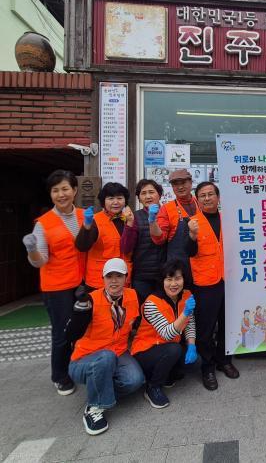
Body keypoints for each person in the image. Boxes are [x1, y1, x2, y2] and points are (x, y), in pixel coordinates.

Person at [22, 169, 85, 396]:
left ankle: (78, 368)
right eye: (55, 190)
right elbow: (39, 261)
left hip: (82, 282)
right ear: (50, 194)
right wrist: (32, 249)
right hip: (57, 287)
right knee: (62, 332)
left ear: (74, 190)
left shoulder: (84, 216)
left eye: (65, 189)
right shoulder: (43, 224)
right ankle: (60, 376)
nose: (61, 194)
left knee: (83, 328)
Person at [66, 258, 144, 435]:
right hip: (85, 359)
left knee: (135, 380)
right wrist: (80, 311)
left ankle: (101, 389)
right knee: (106, 356)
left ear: (126, 278)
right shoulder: (90, 300)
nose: (114, 281)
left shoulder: (133, 295)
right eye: (109, 276)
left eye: (119, 276)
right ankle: (94, 407)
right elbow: (70, 335)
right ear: (103, 278)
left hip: (118, 352)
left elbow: (137, 324)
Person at [184, 181, 239, 390]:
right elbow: (188, 251)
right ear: (197, 199)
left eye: (210, 194)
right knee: (206, 328)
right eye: (202, 195)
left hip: (229, 280)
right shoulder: (192, 222)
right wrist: (191, 236)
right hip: (205, 283)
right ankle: (207, 367)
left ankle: (224, 360)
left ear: (218, 197)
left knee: (227, 324)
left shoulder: (229, 220)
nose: (207, 198)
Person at [131, 259, 197, 409]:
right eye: (169, 279)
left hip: (168, 348)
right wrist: (185, 313)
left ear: (184, 279)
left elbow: (190, 323)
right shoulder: (152, 303)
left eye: (178, 278)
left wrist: (192, 345)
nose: (174, 284)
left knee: (195, 361)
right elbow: (167, 334)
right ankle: (152, 387)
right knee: (174, 349)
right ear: (162, 281)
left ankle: (166, 375)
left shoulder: (187, 295)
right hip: (145, 351)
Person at [76, 182, 132, 290]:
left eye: (120, 198)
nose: (115, 202)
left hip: (123, 280)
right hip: (99, 282)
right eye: (111, 198)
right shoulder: (95, 220)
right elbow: (82, 246)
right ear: (103, 202)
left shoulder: (129, 219)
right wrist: (86, 226)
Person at [120, 179, 166, 303]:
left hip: (166, 275)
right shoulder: (134, 217)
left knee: (164, 310)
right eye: (143, 193)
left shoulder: (168, 213)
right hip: (142, 276)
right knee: (143, 309)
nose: (148, 196)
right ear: (139, 198)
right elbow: (126, 248)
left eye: (151, 192)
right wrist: (129, 224)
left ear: (159, 194)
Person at [150, 168, 198, 265]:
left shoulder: (201, 203)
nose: (180, 187)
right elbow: (159, 239)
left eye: (183, 182)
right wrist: (152, 221)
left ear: (191, 183)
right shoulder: (166, 209)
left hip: (203, 264)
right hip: (178, 267)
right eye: (176, 184)